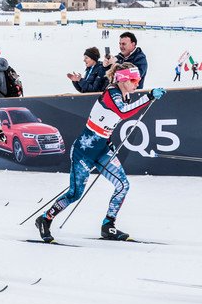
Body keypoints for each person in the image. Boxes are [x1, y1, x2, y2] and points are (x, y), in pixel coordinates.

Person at [35, 64, 164, 243]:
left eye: (138, 79)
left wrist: (108, 141)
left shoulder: (125, 95)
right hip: (84, 151)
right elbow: (123, 112)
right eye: (134, 80)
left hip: (102, 149)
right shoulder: (111, 93)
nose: (137, 83)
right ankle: (45, 219)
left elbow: (113, 119)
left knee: (122, 185)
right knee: (75, 193)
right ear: (122, 79)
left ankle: (108, 225)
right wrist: (148, 97)